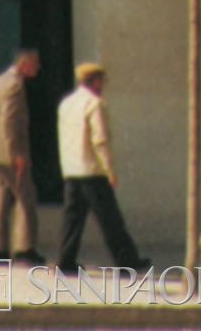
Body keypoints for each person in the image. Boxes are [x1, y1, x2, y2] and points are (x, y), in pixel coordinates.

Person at [55, 62, 146, 274]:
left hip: (72, 169)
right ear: (95, 81)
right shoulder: (95, 104)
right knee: (110, 219)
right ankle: (127, 261)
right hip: (92, 171)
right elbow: (100, 140)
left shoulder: (66, 104)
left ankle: (65, 261)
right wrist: (110, 170)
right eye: (101, 81)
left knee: (72, 220)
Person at [0, 48, 42, 262]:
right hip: (8, 153)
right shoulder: (15, 85)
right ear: (24, 64)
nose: (38, 68)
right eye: (35, 63)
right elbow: (10, 121)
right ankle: (25, 248)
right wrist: (17, 153)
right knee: (26, 198)